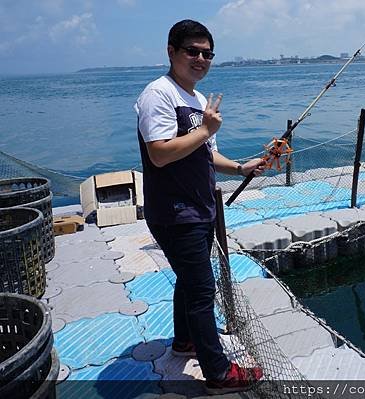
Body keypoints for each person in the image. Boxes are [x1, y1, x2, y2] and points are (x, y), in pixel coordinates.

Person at [135, 19, 265, 394]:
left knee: (190, 282)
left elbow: (206, 154)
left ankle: (185, 341)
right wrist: (206, 130)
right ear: (171, 51)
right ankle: (219, 373)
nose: (201, 58)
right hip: (176, 212)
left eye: (207, 53)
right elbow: (159, 155)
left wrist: (240, 166)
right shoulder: (158, 95)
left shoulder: (196, 99)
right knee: (202, 290)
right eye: (192, 51)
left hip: (199, 207)